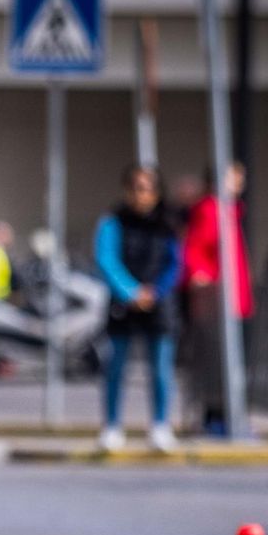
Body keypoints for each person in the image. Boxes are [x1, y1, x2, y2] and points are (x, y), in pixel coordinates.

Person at [93, 163, 182, 452]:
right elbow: (106, 259)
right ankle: (112, 426)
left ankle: (159, 425)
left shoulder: (168, 224)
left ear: (156, 193)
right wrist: (130, 291)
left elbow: (175, 264)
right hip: (124, 304)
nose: (139, 194)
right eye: (134, 188)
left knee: (160, 368)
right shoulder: (113, 222)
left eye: (146, 188)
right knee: (116, 367)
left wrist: (154, 292)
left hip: (158, 303)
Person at [181, 162, 253, 434]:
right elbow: (195, 251)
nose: (240, 182)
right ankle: (216, 418)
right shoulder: (211, 210)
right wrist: (203, 276)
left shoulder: (229, 212)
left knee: (228, 363)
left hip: (231, 300)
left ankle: (224, 416)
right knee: (218, 364)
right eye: (235, 176)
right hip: (217, 303)